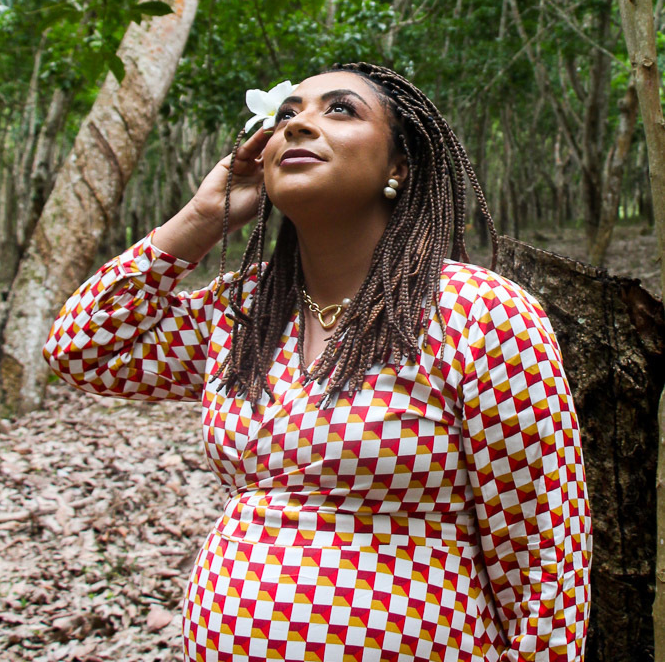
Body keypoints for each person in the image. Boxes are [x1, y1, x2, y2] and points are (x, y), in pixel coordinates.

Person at [44, 62, 591, 661]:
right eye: (286, 115)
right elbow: (83, 351)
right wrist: (202, 218)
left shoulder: (479, 311)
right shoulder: (243, 309)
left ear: (398, 168)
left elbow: (545, 558)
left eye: (340, 110)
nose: (300, 124)